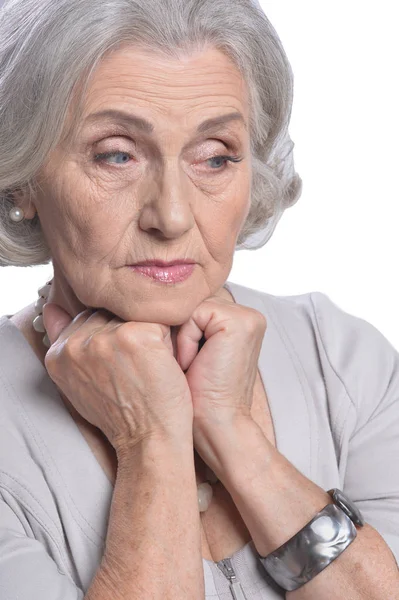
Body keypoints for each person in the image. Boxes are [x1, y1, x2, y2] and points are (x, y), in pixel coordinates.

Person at [0, 0, 398, 598]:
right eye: (117, 154)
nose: (174, 215)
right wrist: (151, 438)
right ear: (22, 176)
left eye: (214, 156)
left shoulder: (342, 358)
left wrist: (229, 428)